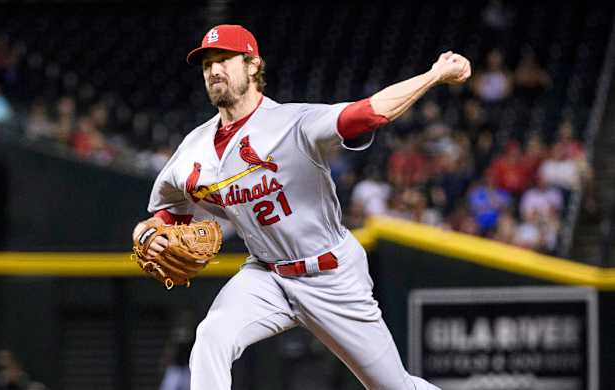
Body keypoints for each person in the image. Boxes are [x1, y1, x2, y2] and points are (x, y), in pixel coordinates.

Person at [132, 24, 470, 390]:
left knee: (392, 387)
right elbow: (163, 217)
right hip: (266, 274)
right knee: (211, 337)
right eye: (207, 64)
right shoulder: (193, 147)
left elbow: (367, 114)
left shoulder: (293, 122)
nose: (214, 70)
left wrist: (435, 74)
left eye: (224, 59)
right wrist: (148, 236)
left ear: (252, 65)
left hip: (330, 274)